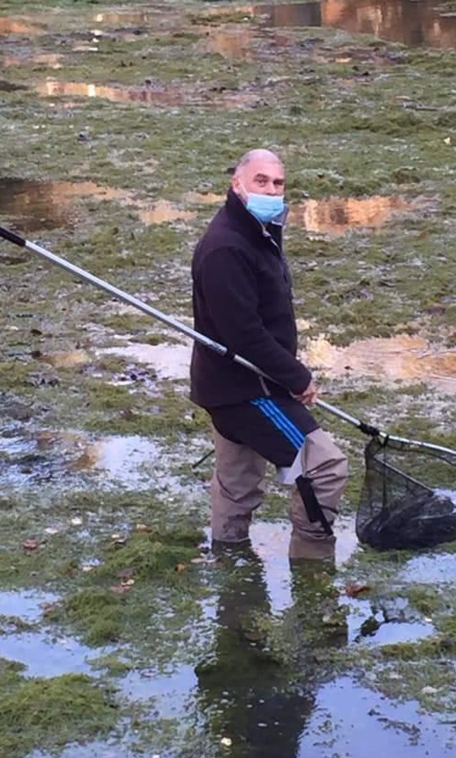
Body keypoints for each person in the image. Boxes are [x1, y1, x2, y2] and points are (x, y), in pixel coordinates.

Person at [190, 148, 348, 559]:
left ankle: (229, 567)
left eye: (278, 183)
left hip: (238, 384)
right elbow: (243, 334)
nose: (272, 190)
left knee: (237, 482)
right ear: (236, 183)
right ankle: (313, 558)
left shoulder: (258, 230)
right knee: (324, 466)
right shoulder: (227, 247)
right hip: (245, 389)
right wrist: (296, 377)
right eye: (261, 181)